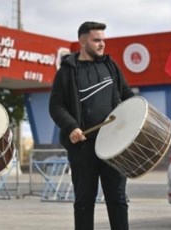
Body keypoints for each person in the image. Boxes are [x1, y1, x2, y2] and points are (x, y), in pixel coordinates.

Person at [49, 21, 135, 230]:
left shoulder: (110, 66)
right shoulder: (67, 71)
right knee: (84, 203)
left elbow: (128, 97)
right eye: (97, 40)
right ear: (82, 41)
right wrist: (71, 127)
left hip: (113, 147)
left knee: (118, 200)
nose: (101, 44)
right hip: (83, 147)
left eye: (103, 40)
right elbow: (56, 106)